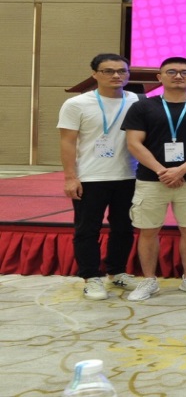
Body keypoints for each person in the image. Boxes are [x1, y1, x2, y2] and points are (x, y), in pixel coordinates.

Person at [121, 57, 186, 301]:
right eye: (172, 72)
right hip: (151, 179)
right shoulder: (143, 107)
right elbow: (134, 143)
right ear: (160, 77)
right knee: (148, 230)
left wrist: (182, 169)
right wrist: (161, 171)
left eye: (185, 72)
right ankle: (148, 280)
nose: (178, 76)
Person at [57, 53, 140, 300]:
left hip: (129, 175)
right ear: (94, 74)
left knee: (124, 228)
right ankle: (91, 277)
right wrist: (70, 177)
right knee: (87, 229)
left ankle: (117, 271)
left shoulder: (136, 100)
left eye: (122, 71)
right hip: (90, 177)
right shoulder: (76, 104)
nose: (116, 75)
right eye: (108, 71)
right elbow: (67, 142)